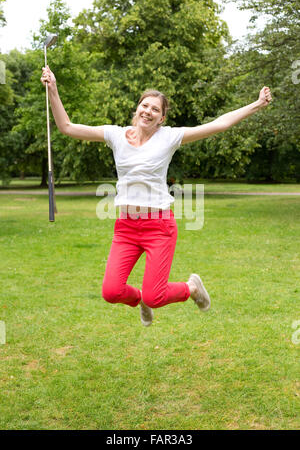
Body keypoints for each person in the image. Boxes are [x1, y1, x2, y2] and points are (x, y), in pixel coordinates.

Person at [41, 66, 272, 326]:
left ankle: (192, 289)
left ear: (161, 118)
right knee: (111, 292)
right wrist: (53, 90)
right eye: (145, 105)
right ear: (137, 109)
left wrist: (257, 104)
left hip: (158, 226)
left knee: (156, 296)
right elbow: (67, 127)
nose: (148, 112)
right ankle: (139, 298)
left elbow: (220, 124)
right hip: (126, 227)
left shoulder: (169, 137)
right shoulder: (116, 135)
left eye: (155, 110)